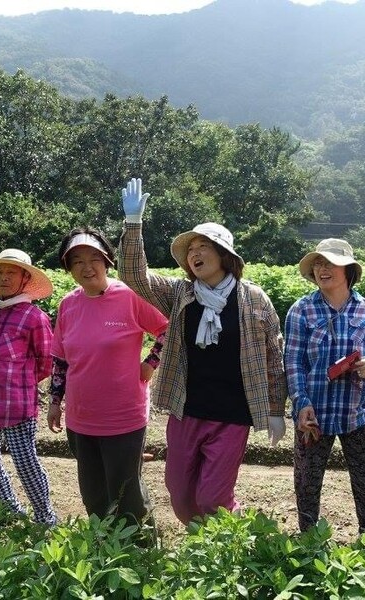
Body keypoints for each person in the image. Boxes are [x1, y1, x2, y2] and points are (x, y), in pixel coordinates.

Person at [116, 177, 287, 525]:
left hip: (232, 415)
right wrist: (133, 224)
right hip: (187, 410)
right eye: (190, 249)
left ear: (224, 255)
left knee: (213, 498)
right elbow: (134, 276)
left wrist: (275, 409)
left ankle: (235, 539)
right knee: (180, 495)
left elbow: (273, 356)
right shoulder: (181, 294)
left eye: (202, 247)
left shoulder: (254, 299)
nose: (194, 254)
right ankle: (206, 546)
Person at [47, 227, 168, 527]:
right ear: (69, 268)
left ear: (107, 261)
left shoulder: (129, 296)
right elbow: (60, 359)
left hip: (123, 416)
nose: (87, 267)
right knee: (94, 493)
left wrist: (150, 363)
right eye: (77, 261)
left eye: (94, 258)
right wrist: (54, 400)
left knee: (127, 493)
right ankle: (103, 550)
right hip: (80, 417)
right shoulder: (68, 304)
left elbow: (168, 330)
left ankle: (141, 552)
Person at [285, 238, 365, 535]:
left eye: (330, 263)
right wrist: (301, 403)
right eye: (318, 263)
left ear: (348, 270)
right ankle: (308, 538)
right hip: (314, 413)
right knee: (307, 479)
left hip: (357, 412)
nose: (322, 268)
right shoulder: (301, 310)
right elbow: (293, 362)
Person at [0, 248, 58, 525]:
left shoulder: (33, 317)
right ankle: (10, 510)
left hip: (17, 405)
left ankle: (45, 517)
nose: (4, 278)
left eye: (11, 272)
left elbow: (46, 362)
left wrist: (20, 383)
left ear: (24, 278)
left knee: (25, 463)